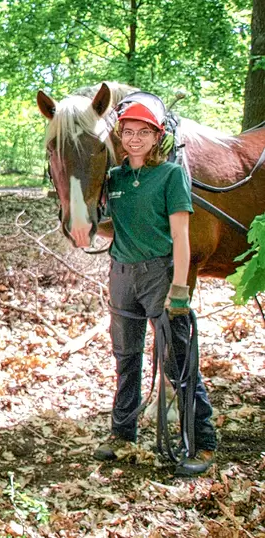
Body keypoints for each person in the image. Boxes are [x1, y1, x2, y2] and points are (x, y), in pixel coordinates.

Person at [90, 97, 217, 476]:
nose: (134, 139)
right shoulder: (114, 178)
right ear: (119, 135)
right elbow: (98, 220)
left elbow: (181, 236)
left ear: (156, 136)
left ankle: (202, 442)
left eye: (143, 132)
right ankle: (123, 433)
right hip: (122, 275)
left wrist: (180, 287)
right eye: (127, 132)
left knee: (177, 360)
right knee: (126, 358)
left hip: (160, 274)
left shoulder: (171, 175)